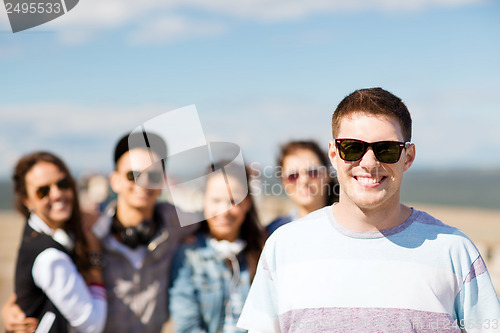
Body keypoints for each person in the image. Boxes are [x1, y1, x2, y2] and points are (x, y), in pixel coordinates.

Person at [237, 88, 500, 332]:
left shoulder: (454, 251)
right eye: (353, 148)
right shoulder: (283, 247)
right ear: (333, 153)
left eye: (386, 149)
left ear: (407, 157)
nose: (369, 162)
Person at [3, 132, 198, 333]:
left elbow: (218, 220)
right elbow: (46, 277)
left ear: (161, 184)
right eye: (133, 175)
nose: (144, 183)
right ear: (115, 181)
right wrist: (13, 308)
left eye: (154, 176)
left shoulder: (173, 222)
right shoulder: (88, 234)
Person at [8, 152, 107, 333]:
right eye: (42, 191)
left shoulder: (38, 231)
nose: (57, 194)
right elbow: (92, 324)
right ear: (26, 200)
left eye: (63, 184)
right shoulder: (49, 257)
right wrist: (95, 264)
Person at [169, 162, 266, 333]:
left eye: (233, 201)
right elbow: (187, 325)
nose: (224, 210)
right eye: (216, 200)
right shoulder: (188, 254)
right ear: (204, 200)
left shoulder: (262, 252)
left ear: (247, 203)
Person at [266, 140, 338, 235]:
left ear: (328, 174)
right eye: (293, 176)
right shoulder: (272, 232)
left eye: (313, 172)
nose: (304, 180)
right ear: (283, 182)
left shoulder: (351, 223)